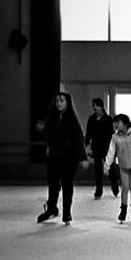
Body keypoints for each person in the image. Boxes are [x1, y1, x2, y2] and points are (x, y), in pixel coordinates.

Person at [36, 91, 89, 225]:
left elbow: (78, 139)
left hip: (69, 157)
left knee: (67, 184)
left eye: (62, 101)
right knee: (53, 184)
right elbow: (46, 132)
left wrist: (83, 157)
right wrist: (41, 128)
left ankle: (67, 213)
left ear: (67, 103)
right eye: (57, 101)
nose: (59, 103)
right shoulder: (51, 118)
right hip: (54, 156)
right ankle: (52, 208)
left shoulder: (71, 119)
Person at [85, 98, 119, 199]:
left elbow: (112, 134)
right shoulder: (91, 119)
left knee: (111, 168)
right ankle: (98, 191)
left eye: (96, 105)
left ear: (101, 107)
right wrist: (85, 144)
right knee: (98, 169)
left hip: (107, 147)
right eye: (93, 106)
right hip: (96, 147)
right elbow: (89, 133)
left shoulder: (108, 119)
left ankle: (115, 188)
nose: (94, 108)